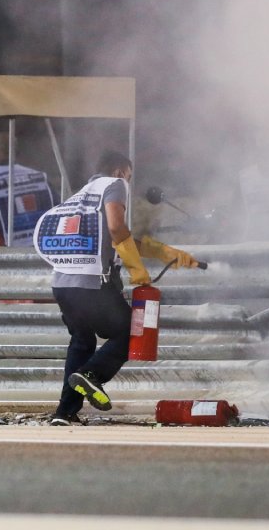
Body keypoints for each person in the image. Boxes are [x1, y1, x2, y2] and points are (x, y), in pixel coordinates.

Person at [33, 151, 199, 425]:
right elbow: (116, 227)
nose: (128, 184)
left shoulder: (82, 196)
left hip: (63, 284)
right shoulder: (115, 184)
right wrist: (136, 269)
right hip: (91, 284)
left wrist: (163, 252)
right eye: (129, 177)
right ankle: (92, 375)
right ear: (121, 171)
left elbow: (116, 237)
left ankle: (65, 413)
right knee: (131, 330)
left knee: (82, 341)